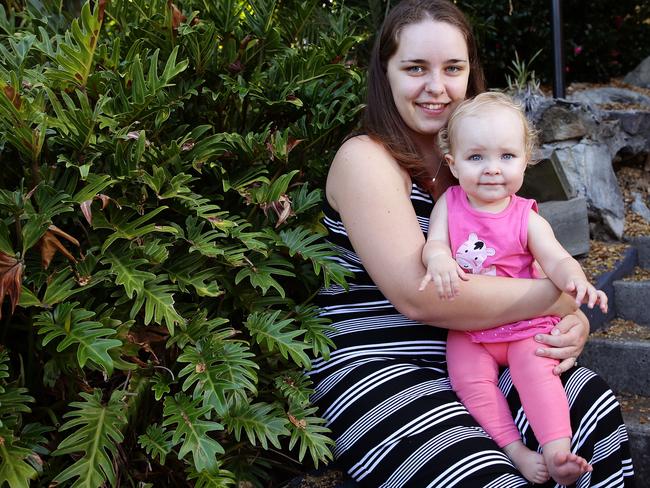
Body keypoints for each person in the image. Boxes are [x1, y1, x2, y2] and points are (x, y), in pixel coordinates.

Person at [308, 0, 635, 485]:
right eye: (415, 67)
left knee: (588, 409)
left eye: (452, 68)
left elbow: (529, 256)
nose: (436, 87)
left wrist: (573, 322)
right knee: (481, 473)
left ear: (469, 73)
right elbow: (419, 297)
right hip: (381, 363)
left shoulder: (481, 161)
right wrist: (560, 298)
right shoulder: (366, 159)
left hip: (487, 344)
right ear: (385, 73)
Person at [418, 91, 607, 485]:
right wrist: (437, 259)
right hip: (470, 327)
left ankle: (557, 449)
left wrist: (576, 281)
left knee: (538, 371)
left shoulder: (526, 216)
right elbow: (435, 243)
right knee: (468, 381)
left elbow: (555, 258)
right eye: (476, 157)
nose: (492, 169)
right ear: (452, 164)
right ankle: (513, 448)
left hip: (522, 325)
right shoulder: (450, 204)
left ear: (526, 159)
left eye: (506, 156)